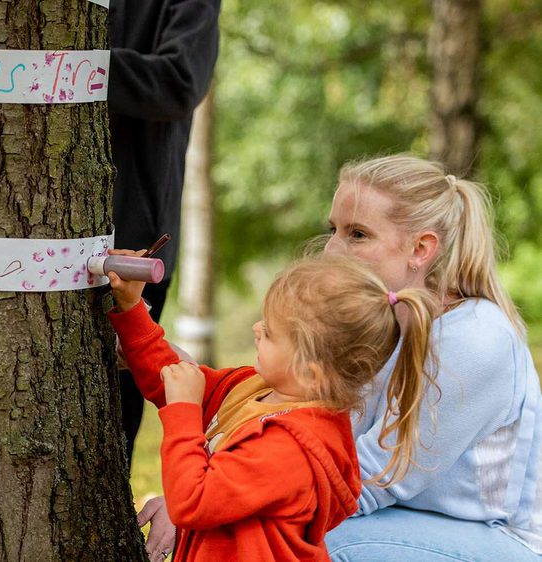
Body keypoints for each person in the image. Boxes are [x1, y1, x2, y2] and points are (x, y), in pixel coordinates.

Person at [138, 154, 542, 560]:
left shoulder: (475, 340)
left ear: (421, 248)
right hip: (393, 517)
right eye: (334, 229)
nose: (332, 249)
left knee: (313, 547)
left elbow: (368, 479)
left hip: (492, 538)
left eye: (358, 234)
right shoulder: (367, 322)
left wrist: (206, 500)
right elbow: (279, 412)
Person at [106, 250, 439, 561]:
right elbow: (173, 378)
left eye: (270, 332)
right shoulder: (257, 389)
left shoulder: (293, 451)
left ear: (311, 372)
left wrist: (184, 415)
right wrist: (132, 308)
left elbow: (192, 502)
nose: (256, 328)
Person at [107, 0, 221, 465]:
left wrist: (75, 66)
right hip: (27, 237)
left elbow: (178, 82)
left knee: (112, 413)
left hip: (134, 240)